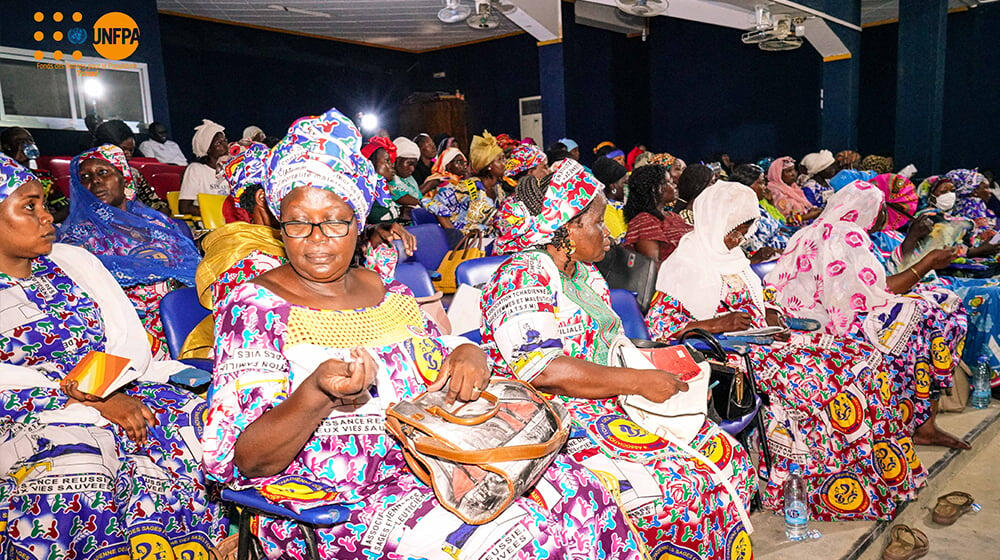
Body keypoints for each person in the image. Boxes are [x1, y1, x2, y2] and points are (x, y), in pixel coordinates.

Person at [202, 108, 643, 560]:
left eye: (335, 220)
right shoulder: (255, 308)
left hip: (435, 460)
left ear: (358, 219)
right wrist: (316, 392)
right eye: (297, 222)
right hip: (336, 503)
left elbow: (442, 360)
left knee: (585, 497)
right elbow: (249, 459)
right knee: (526, 542)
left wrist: (470, 352)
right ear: (279, 222)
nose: (316, 238)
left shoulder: (387, 290)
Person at [480, 159, 755, 559]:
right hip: (555, 418)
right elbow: (545, 371)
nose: (609, 234)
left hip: (608, 401)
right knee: (675, 490)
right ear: (566, 228)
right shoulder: (522, 276)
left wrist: (656, 366)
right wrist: (639, 383)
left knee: (727, 454)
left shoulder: (584, 275)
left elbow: (609, 346)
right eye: (597, 222)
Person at [647, 181, 925, 520]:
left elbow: (756, 300)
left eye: (745, 231)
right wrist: (716, 324)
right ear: (714, 222)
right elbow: (664, 332)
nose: (740, 240)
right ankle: (819, 491)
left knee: (863, 361)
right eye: (735, 231)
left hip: (766, 342)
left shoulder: (733, 257)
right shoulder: (684, 265)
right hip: (729, 356)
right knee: (826, 382)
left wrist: (771, 311)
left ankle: (881, 479)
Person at [0, 154, 225, 560]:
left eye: (43, 204)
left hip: (116, 385)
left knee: (203, 420)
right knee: (76, 461)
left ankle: (210, 545)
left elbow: (125, 339)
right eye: (28, 207)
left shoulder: (71, 264)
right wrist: (91, 401)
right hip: (27, 412)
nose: (48, 217)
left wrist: (105, 392)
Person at [765, 181, 971, 449]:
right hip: (828, 329)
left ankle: (919, 420)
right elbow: (874, 293)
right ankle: (922, 422)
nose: (884, 215)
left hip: (806, 322)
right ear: (868, 210)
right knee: (938, 310)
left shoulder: (811, 231)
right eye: (882, 208)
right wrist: (928, 262)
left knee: (928, 305)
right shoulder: (847, 235)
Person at [58, 145, 201, 356]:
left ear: (123, 177)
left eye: (103, 172)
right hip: (130, 328)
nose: (95, 181)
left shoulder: (157, 223)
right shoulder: (77, 237)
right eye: (85, 177)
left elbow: (190, 268)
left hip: (182, 315)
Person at [426, 135, 508, 234]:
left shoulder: (498, 188)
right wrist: (454, 235)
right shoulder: (470, 186)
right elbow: (435, 203)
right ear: (489, 165)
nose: (505, 163)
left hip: (487, 239)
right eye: (500, 159)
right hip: (467, 242)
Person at [95, 119, 169, 214]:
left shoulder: (133, 173)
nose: (128, 154)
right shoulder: (93, 175)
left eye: (131, 150)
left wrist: (162, 215)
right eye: (123, 149)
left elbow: (154, 202)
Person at [623, 163, 692, 261]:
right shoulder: (644, 222)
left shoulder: (672, 216)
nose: (675, 185)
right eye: (669, 182)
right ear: (655, 188)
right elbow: (653, 266)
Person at [0, 126, 68, 220]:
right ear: (7, 146)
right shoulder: (3, 178)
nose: (26, 144)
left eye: (29, 140)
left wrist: (45, 220)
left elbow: (65, 207)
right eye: (19, 141)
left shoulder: (44, 177)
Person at [730, 162, 788, 258]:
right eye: (761, 183)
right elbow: (757, 251)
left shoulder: (757, 207)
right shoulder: (741, 215)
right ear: (746, 187)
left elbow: (778, 226)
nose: (765, 188)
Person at [179, 119, 229, 216]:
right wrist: (216, 214)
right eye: (219, 143)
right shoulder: (196, 170)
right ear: (208, 149)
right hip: (209, 226)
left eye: (225, 141)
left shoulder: (231, 169)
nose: (225, 146)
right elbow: (185, 208)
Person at [767, 156, 819, 222]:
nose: (793, 174)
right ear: (779, 175)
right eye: (789, 171)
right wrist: (808, 216)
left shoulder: (793, 188)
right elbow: (786, 220)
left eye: (793, 169)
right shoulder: (775, 192)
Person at [591, 156, 628, 244]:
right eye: (624, 183)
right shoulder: (607, 211)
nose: (627, 187)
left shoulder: (619, 207)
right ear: (613, 187)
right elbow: (622, 243)